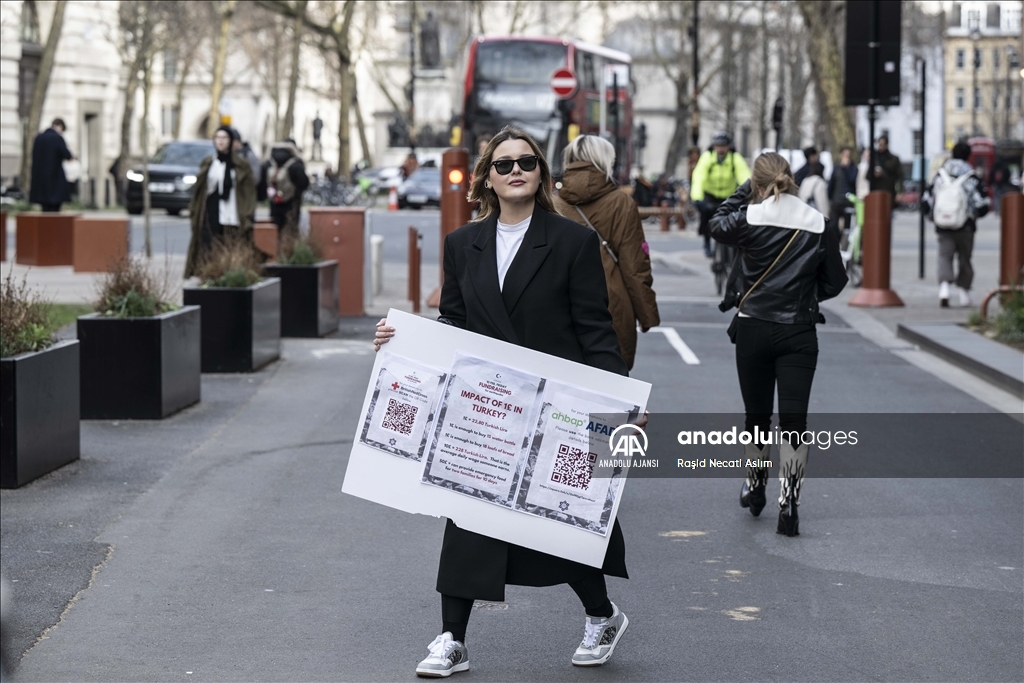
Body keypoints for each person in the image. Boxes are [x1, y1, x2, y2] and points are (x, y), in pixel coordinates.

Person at [374, 125, 634, 677]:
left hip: (556, 409)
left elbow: (596, 331)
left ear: (541, 174)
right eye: (503, 164)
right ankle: (452, 638)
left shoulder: (572, 242)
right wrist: (403, 340)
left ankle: (602, 614)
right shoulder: (461, 245)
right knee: (467, 518)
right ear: (486, 179)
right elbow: (456, 324)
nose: (516, 171)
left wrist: (616, 404)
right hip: (486, 411)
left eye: (527, 162)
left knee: (561, 524)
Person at [709, 152, 847, 537]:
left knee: (756, 418)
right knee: (794, 424)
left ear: (756, 182)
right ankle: (790, 502)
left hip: (753, 328)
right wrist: (805, 297)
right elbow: (836, 281)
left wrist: (742, 193)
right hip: (798, 332)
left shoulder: (749, 218)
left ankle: (755, 486)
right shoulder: (819, 223)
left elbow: (716, 224)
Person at [554, 134, 661, 370]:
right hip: (611, 307)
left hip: (560, 308)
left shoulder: (553, 204)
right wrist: (647, 314)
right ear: (605, 162)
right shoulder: (621, 203)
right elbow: (635, 266)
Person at [921, 141, 990, 308]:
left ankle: (944, 288)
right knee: (965, 258)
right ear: (968, 156)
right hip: (965, 225)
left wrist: (931, 216)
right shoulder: (972, 176)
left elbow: (926, 199)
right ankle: (964, 292)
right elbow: (982, 204)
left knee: (945, 256)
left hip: (943, 223)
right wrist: (975, 216)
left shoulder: (941, 174)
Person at [184, 125, 257, 278]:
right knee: (209, 243)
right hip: (212, 209)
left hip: (233, 212)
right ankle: (208, 274)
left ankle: (232, 274)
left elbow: (248, 192)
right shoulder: (209, 163)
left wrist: (248, 215)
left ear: (231, 141)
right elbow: (201, 189)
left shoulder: (241, 165)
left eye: (224, 138)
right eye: (218, 138)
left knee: (231, 243)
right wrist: (194, 211)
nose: (221, 142)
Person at [690, 131, 750, 257]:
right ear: (714, 146)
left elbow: (744, 176)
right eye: (718, 146)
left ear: (729, 146)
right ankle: (707, 242)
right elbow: (699, 176)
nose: (721, 149)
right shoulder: (707, 157)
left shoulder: (735, 158)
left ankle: (732, 247)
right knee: (706, 216)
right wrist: (697, 197)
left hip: (729, 196)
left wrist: (750, 192)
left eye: (724, 146)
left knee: (735, 221)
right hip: (710, 194)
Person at [259, 138, 309, 245]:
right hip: (292, 202)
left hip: (274, 202)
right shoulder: (296, 163)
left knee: (275, 229)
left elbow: (262, 183)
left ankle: (275, 254)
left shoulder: (268, 162)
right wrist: (297, 194)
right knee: (291, 230)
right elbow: (304, 182)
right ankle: (289, 254)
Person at [29, 118, 73, 212]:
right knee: (54, 210)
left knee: (44, 209)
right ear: (60, 127)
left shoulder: (39, 137)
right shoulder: (57, 138)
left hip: (40, 180)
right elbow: (67, 155)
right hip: (55, 179)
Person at [827, 147, 858, 234]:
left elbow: (852, 180)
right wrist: (829, 197)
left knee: (847, 228)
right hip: (836, 201)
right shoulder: (836, 168)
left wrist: (845, 169)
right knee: (834, 225)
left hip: (848, 201)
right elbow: (831, 183)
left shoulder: (853, 168)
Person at [869, 135, 902, 205]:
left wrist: (899, 192)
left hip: (889, 191)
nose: (881, 147)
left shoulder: (893, 159)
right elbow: (868, 175)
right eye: (879, 144)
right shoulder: (874, 158)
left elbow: (899, 177)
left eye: (882, 144)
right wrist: (874, 175)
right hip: (876, 191)